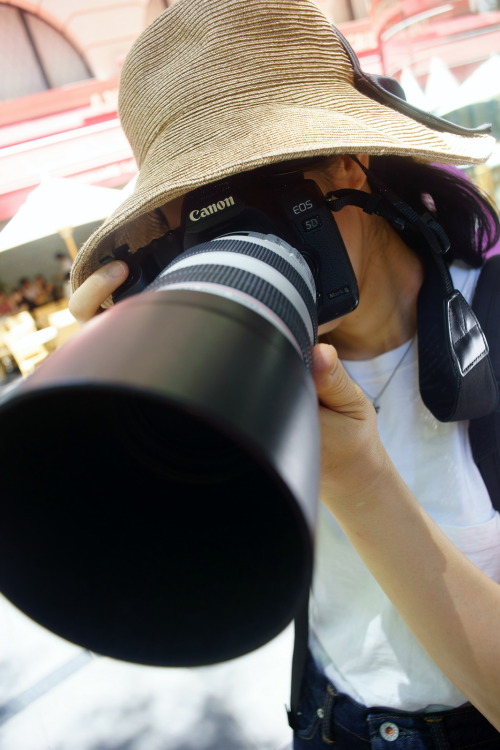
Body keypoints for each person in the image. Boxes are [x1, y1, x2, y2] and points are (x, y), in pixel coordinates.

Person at [68, 0, 500, 746]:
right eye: (198, 217)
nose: (241, 244)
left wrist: (359, 482)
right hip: (333, 724)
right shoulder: (242, 357)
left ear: (350, 159)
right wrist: (131, 406)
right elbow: (176, 586)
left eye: (261, 189)